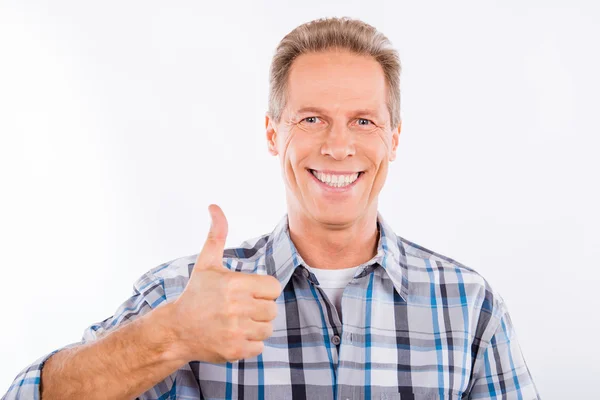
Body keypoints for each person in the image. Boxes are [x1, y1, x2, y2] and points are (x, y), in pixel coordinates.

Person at [3, 16, 540, 400]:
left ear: (394, 139)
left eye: (363, 121)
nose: (337, 146)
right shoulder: (186, 297)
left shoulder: (469, 307)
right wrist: (173, 334)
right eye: (310, 119)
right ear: (271, 132)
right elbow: (29, 394)